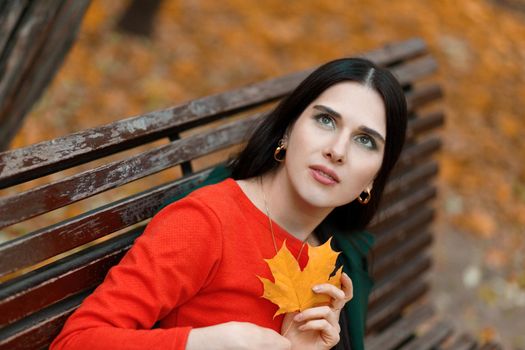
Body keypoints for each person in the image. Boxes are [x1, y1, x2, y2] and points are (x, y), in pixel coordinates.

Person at [50, 57, 407, 350]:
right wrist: (203, 343)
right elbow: (76, 341)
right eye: (325, 120)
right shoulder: (206, 222)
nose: (337, 150)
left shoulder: (328, 257)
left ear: (375, 176)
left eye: (365, 140)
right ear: (287, 130)